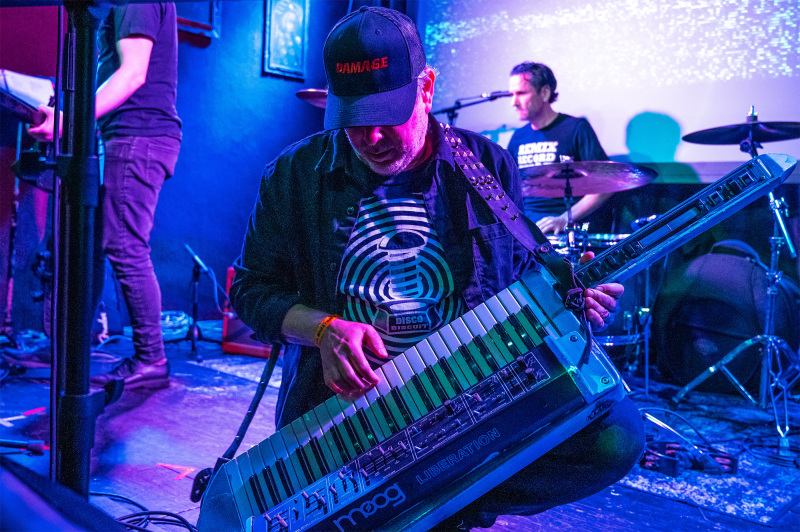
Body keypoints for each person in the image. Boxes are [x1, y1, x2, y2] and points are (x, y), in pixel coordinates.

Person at [230, 7, 643, 530]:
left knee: (614, 436)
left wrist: (568, 298)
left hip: (467, 404)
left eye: (387, 116)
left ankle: (444, 501)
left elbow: (524, 276)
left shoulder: (487, 165)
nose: (372, 138)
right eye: (355, 121)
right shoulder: (294, 174)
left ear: (425, 89)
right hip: (346, 414)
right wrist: (322, 329)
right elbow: (250, 290)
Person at [28, 2, 181, 390]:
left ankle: (151, 359)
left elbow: (133, 73)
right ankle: (70, 346)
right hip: (126, 136)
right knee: (92, 246)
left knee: (126, 247)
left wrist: (69, 120)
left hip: (138, 137)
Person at [507, 62, 611, 235]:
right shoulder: (518, 137)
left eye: (521, 93)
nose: (513, 102)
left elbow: (605, 183)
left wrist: (565, 218)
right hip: (524, 228)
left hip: (561, 231)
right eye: (511, 94)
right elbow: (508, 188)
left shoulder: (576, 128)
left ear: (545, 93)